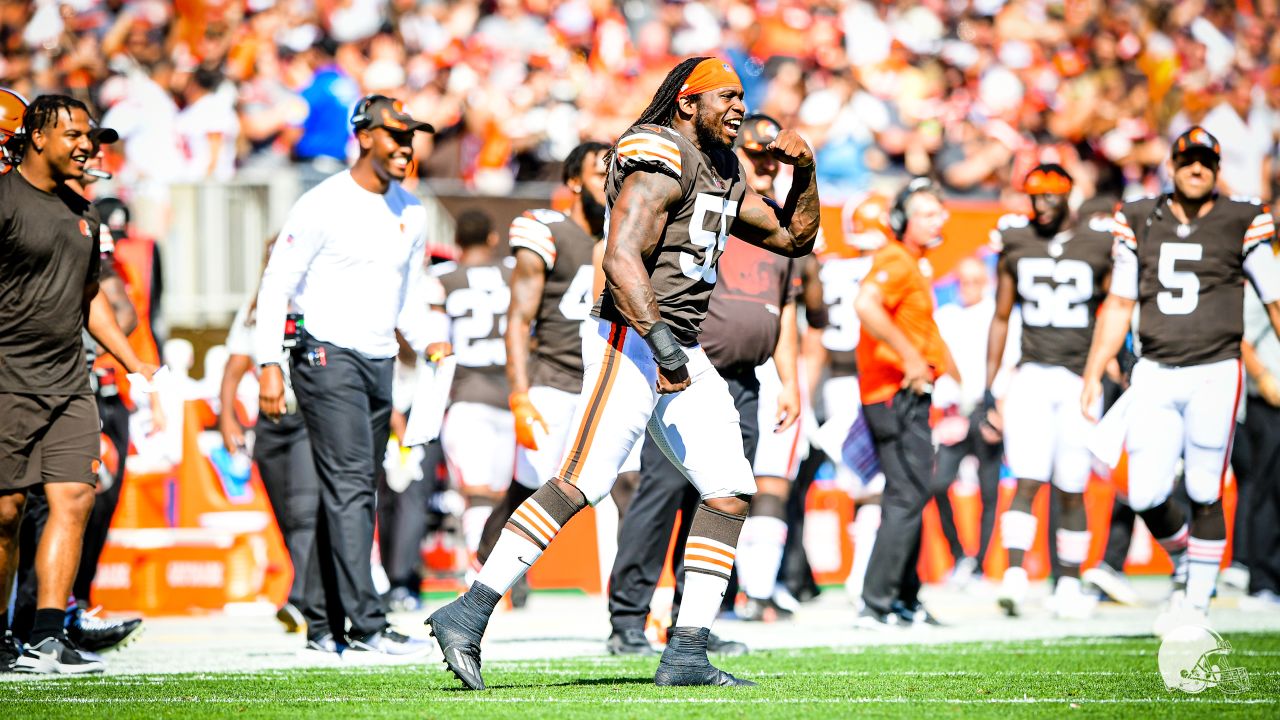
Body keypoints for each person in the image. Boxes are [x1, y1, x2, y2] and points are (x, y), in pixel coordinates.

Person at [426, 57, 819, 690]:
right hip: (632, 336)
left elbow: (793, 238)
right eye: (727, 96)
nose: (740, 107)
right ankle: (469, 612)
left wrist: (805, 170)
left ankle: (686, 650)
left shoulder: (722, 167)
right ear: (687, 104)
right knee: (582, 480)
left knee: (727, 488)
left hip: (678, 342)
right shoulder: (659, 152)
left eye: (744, 95)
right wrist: (662, 349)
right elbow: (622, 257)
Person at [606, 113, 800, 654]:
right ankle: (626, 619)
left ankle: (691, 626)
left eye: (773, 158)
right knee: (659, 498)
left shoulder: (774, 224)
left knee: (721, 498)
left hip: (746, 379)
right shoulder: (712, 201)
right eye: (756, 153)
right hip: (688, 375)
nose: (764, 164)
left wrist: (790, 380)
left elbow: (781, 311)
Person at [254, 94, 436, 659]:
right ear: (364, 136)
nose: (406, 147)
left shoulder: (413, 209)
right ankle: (367, 623)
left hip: (379, 358)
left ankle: (324, 622)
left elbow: (408, 296)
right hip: (324, 352)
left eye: (411, 137)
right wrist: (267, 363)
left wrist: (431, 339)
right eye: (395, 135)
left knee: (354, 490)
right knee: (353, 485)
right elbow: (277, 281)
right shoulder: (322, 203)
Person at [1082, 126, 1280, 634]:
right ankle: (1191, 563)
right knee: (1146, 493)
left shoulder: (1243, 219)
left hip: (1215, 368)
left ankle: (1196, 601)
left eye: (1206, 162)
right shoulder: (1140, 217)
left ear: (1217, 170)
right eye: (1187, 160)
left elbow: (1274, 299)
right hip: (1153, 370)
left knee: (1203, 487)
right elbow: (1121, 302)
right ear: (1170, 166)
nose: (1196, 169)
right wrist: (1093, 367)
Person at [0, 95, 157, 674]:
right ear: (36, 135)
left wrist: (133, 359)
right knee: (7, 512)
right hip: (6, 379)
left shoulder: (85, 214)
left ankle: (47, 634)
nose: (87, 146)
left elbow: (90, 300)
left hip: (69, 380)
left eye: (91, 136)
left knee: (74, 498)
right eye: (74, 135)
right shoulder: (4, 200)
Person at [473, 141, 610, 583]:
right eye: (598, 173)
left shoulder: (621, 236)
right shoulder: (547, 229)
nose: (609, 182)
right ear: (573, 181)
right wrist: (520, 394)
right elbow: (519, 318)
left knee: (623, 489)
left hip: (604, 381)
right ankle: (486, 571)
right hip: (554, 377)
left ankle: (627, 607)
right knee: (530, 489)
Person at [985, 163, 1114, 618]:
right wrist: (990, 384)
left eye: (1050, 196)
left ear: (1068, 196)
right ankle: (1016, 577)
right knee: (1027, 477)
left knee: (1072, 485)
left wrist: (1111, 363)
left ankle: (1069, 582)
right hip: (1033, 374)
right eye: (1034, 196)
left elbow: (1114, 307)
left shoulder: (1099, 243)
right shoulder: (1016, 240)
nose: (1041, 205)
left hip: (1081, 377)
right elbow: (1001, 316)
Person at [852, 176, 953, 628]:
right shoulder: (895, 259)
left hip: (901, 393)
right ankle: (876, 602)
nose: (939, 220)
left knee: (909, 494)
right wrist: (912, 358)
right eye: (927, 213)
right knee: (907, 495)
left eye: (939, 212)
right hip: (896, 394)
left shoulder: (912, 263)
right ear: (901, 221)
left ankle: (904, 599)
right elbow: (866, 303)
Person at [219, 238, 320, 633]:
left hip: (308, 417)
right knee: (285, 514)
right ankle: (309, 590)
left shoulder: (318, 301)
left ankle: (301, 599)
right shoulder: (258, 305)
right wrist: (228, 417)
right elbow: (234, 367)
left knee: (304, 510)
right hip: (271, 421)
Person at [807, 194, 891, 608]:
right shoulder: (887, 269)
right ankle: (862, 579)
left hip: (833, 383)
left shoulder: (833, 268)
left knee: (853, 484)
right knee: (873, 486)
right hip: (868, 383)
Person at [432, 210, 515, 568]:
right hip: (512, 397)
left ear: (457, 243)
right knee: (500, 496)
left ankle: (478, 578)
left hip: (467, 396)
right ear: (493, 239)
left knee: (476, 495)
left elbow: (428, 338)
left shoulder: (441, 278)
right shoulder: (513, 273)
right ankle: (500, 576)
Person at [928, 257, 1005, 588]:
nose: (969, 288)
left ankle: (981, 566)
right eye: (964, 281)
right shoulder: (946, 316)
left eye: (975, 281)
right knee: (938, 484)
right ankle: (960, 555)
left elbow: (1009, 364)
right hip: (955, 412)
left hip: (987, 409)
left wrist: (1000, 409)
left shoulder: (996, 315)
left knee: (989, 492)